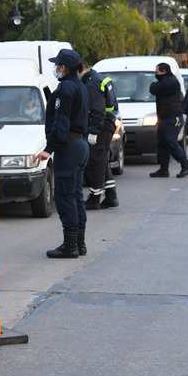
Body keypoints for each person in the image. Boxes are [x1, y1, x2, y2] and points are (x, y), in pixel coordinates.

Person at [36, 49, 89, 259]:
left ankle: (70, 246)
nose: (55, 68)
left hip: (69, 146)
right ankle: (80, 243)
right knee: (75, 195)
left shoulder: (66, 88)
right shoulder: (80, 86)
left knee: (65, 197)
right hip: (81, 144)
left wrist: (48, 149)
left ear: (64, 67)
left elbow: (61, 122)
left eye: (57, 65)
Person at [80, 61, 119, 210]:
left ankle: (94, 198)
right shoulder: (97, 78)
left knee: (94, 163)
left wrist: (93, 132)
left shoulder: (91, 83)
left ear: (81, 69)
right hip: (106, 123)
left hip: (100, 126)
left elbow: (97, 110)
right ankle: (111, 196)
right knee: (101, 161)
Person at [149, 63, 188, 178]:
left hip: (172, 118)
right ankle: (164, 169)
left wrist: (154, 84)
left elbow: (153, 89)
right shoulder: (165, 81)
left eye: (157, 71)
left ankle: (186, 165)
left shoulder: (170, 82)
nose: (155, 73)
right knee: (162, 144)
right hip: (164, 118)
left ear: (163, 71)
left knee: (171, 142)